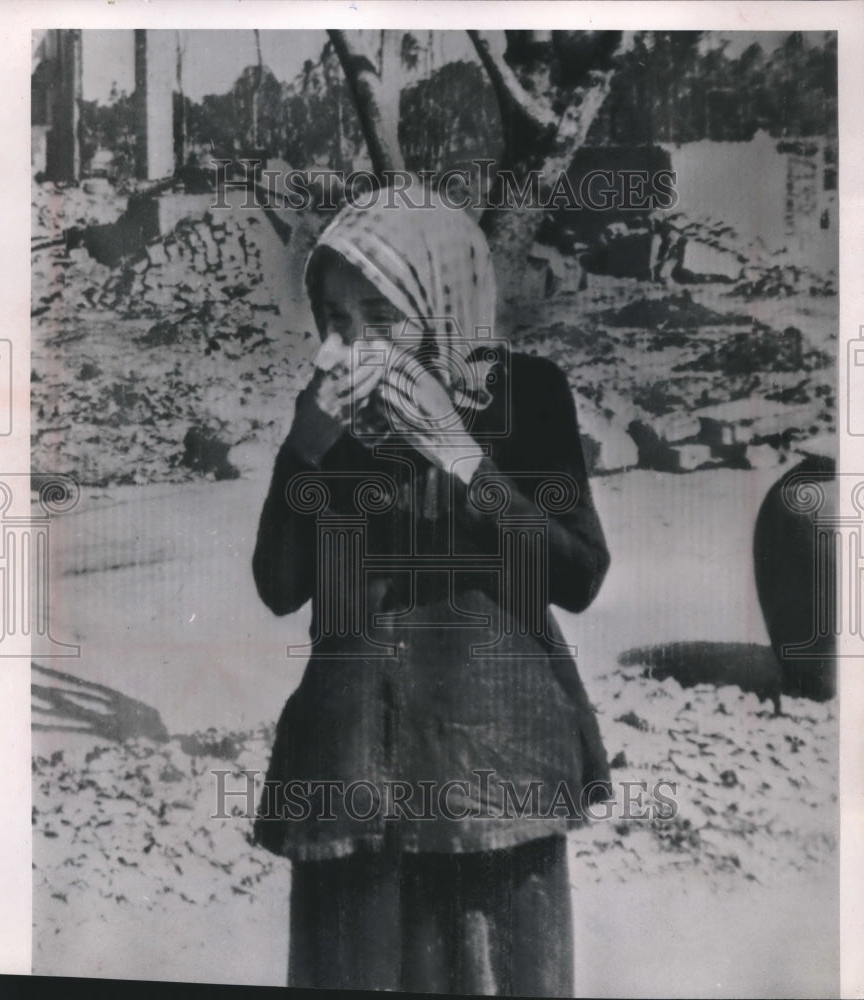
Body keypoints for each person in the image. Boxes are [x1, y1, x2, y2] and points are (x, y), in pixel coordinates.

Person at [251, 191, 611, 996]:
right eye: (335, 318)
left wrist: (463, 457)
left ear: (441, 306)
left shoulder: (527, 399)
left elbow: (579, 574)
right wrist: (302, 454)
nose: (349, 346)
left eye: (381, 315)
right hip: (350, 769)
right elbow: (277, 587)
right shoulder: (327, 419)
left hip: (494, 771)